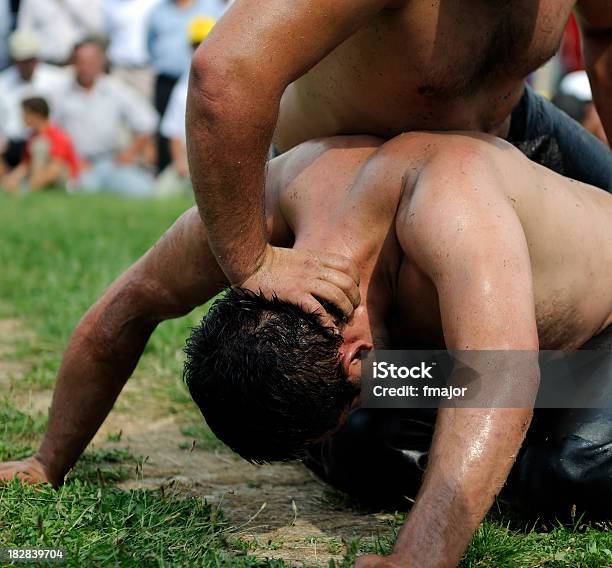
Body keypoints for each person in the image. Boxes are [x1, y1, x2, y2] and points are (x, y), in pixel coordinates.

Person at [1, 130, 611, 567]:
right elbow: (125, 308)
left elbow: (504, 377)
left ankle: (521, 445)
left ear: (355, 356)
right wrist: (47, 462)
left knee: (573, 470)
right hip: (492, 362)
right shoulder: (266, 218)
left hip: (595, 342)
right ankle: (487, 444)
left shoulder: (448, 206)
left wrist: (421, 555)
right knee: (357, 449)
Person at [186, 0, 612, 330]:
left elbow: (605, 31)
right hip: (351, 180)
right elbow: (224, 74)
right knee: (374, 404)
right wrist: (252, 264)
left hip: (508, 133)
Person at [56, 37, 158, 197]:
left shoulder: (115, 89)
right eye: (81, 61)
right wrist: (71, 159)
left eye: (91, 61)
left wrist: (130, 153)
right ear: (73, 63)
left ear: (100, 63)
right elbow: (52, 131)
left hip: (111, 162)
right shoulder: (61, 93)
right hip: (76, 163)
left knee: (145, 192)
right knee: (81, 193)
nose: (86, 67)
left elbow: (147, 121)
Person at [147, 0, 227, 171]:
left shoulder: (211, 7)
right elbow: (150, 43)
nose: (200, 49)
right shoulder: (158, 10)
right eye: (196, 45)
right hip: (167, 78)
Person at [155, 16, 217, 196]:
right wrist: (180, 163)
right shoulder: (183, 86)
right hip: (187, 159)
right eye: (196, 44)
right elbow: (172, 131)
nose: (201, 48)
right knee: (160, 194)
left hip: (219, 160)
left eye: (205, 42)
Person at [0, 30, 68, 172]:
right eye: (23, 59)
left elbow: (61, 119)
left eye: (30, 59)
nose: (27, 64)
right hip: (11, 144)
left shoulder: (56, 80)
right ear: (14, 59)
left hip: (46, 141)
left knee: (40, 146)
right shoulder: (3, 83)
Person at [0, 97, 79, 192]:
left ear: (37, 115)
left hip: (65, 179)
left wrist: (26, 188)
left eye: (25, 114)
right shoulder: (33, 136)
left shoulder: (58, 136)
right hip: (40, 177)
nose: (22, 117)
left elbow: (55, 169)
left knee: (40, 145)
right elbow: (26, 165)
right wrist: (9, 181)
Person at [101, 0, 159, 100]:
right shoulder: (108, 4)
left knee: (144, 108)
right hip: (118, 68)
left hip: (144, 69)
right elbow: (104, 34)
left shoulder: (153, 3)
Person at [17, 0, 104, 65]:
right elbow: (24, 33)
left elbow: (96, 27)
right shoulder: (31, 1)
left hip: (76, 66)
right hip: (45, 66)